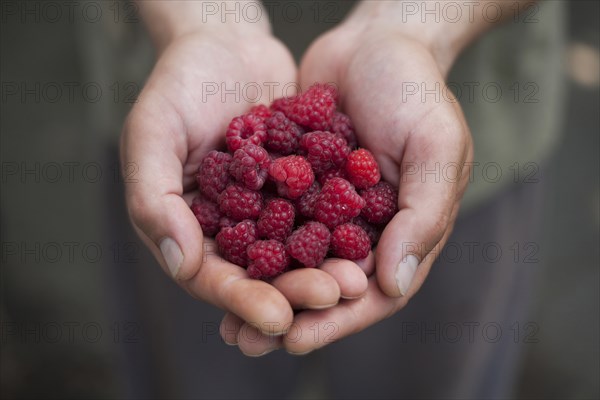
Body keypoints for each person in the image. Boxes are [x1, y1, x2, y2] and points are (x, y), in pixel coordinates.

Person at [121, 1, 563, 397]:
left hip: (479, 107)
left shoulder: (330, 183)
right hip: (181, 119)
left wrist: (415, 25)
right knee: (198, 374)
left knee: (428, 371)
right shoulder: (247, 173)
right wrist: (195, 20)